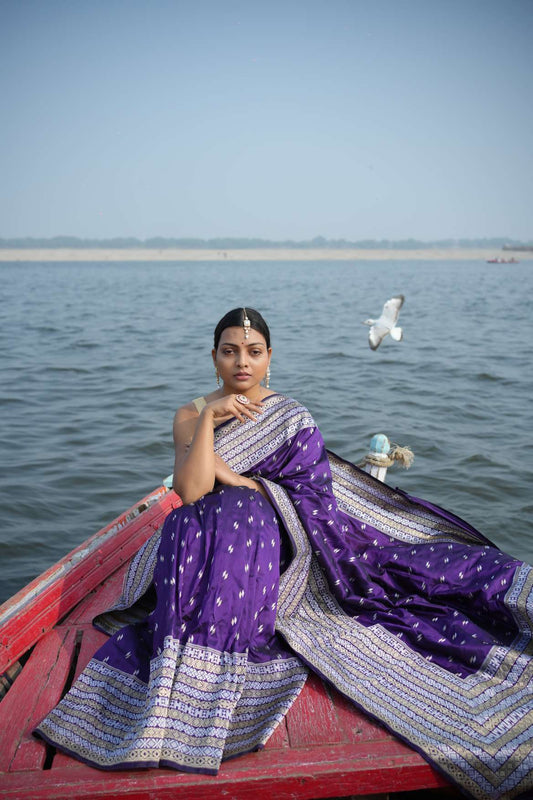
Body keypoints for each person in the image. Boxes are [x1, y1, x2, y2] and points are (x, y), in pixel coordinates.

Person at [35, 308, 533, 800]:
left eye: (253, 352)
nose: (242, 363)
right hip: (202, 529)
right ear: (214, 357)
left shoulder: (291, 416)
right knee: (197, 519)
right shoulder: (190, 413)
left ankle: (219, 644)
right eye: (230, 352)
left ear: (269, 356)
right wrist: (210, 420)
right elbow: (189, 490)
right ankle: (196, 660)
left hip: (271, 536)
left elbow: (316, 499)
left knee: (247, 511)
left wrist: (248, 485)